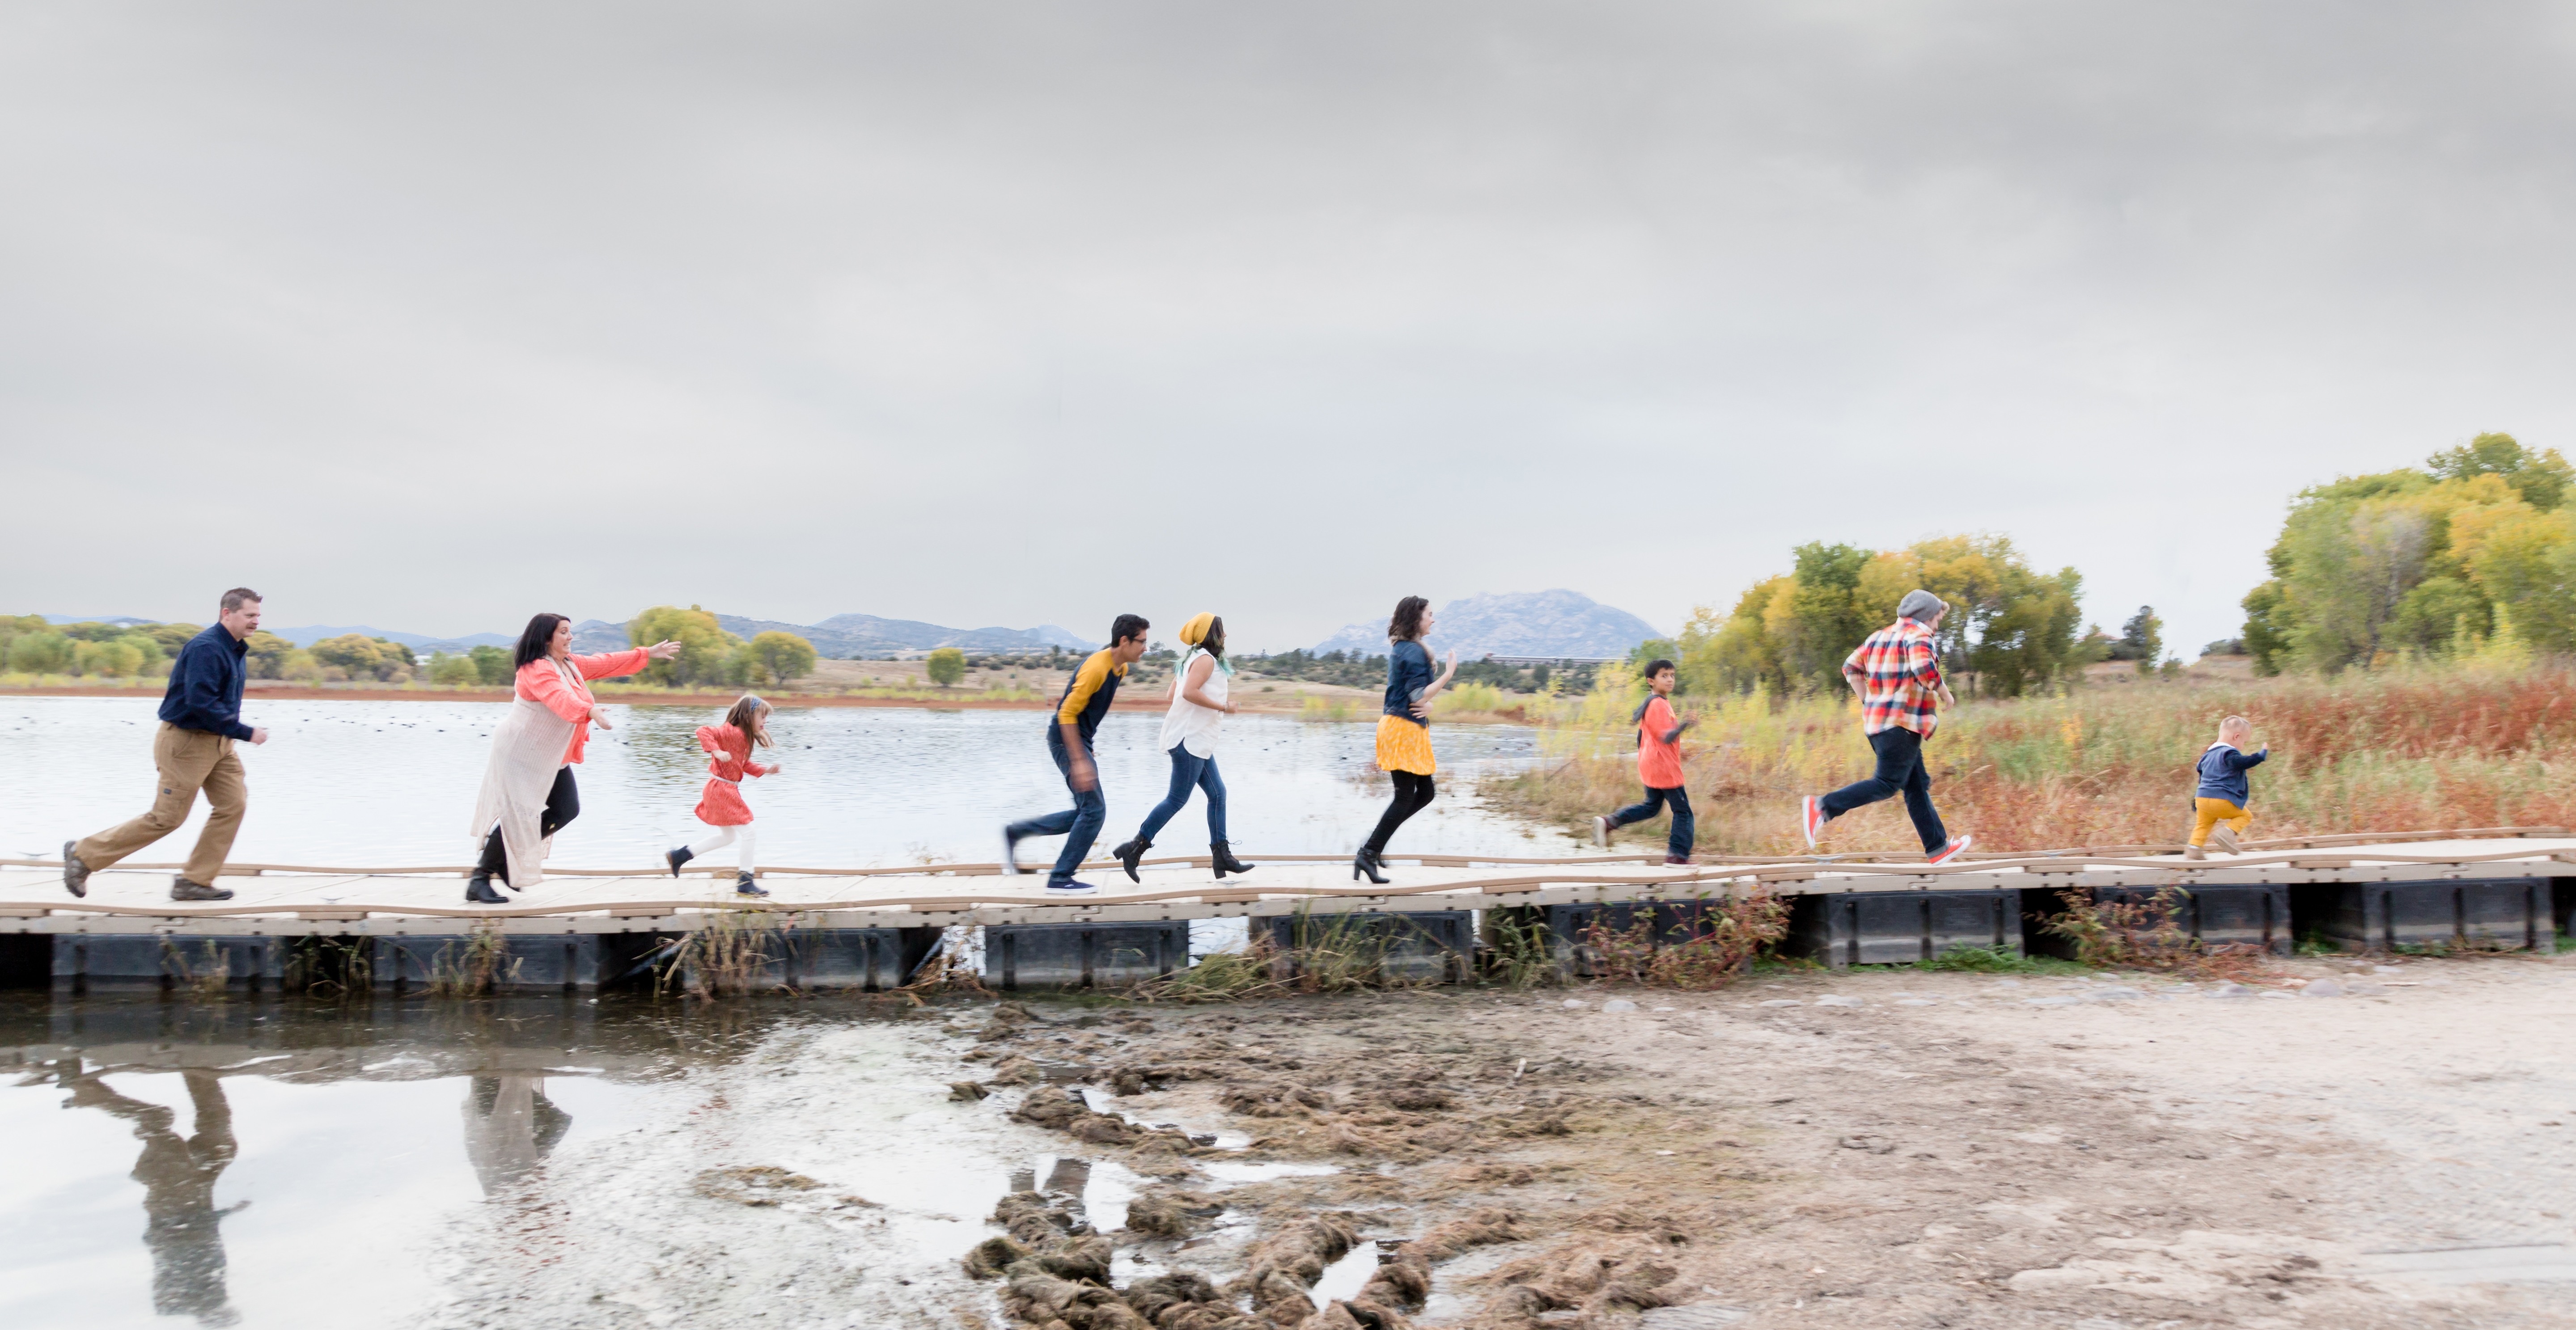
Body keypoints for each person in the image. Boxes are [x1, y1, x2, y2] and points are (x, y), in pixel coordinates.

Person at [62, 588, 273, 903]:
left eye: (258, 615)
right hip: (186, 743)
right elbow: (200, 703)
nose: (256, 621)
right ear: (226, 613)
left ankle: (194, 880)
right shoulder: (207, 648)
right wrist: (245, 731)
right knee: (167, 818)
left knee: (233, 804)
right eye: (250, 615)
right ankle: (84, 855)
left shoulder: (234, 649)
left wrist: (233, 734)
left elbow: (216, 705)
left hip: (220, 744)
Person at [464, 614, 680, 904]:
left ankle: (504, 861)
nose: (570, 637)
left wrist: (645, 653)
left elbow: (605, 661)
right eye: (563, 632)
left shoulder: (569, 665)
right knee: (520, 815)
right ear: (546, 639)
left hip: (551, 754)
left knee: (566, 809)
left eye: (570, 631)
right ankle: (479, 879)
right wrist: (590, 712)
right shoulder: (536, 669)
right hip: (521, 752)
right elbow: (560, 699)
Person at [1800, 589, 1974, 864]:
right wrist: (1946, 694)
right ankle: (1823, 807)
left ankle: (1938, 848)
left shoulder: (1878, 636)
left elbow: (1850, 668)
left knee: (1916, 785)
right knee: (1887, 783)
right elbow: (1925, 670)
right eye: (1939, 618)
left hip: (1880, 725)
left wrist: (1869, 702)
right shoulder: (1920, 636)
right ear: (1927, 616)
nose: (1938, 625)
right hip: (1902, 723)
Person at [1003, 614, 1151, 895]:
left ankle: (1019, 832)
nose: (1146, 648)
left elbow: (1086, 712)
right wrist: (1079, 759)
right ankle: (1060, 878)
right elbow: (1066, 713)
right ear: (1124, 641)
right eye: (1142, 642)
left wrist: (1086, 744)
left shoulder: (1120, 669)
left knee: (1087, 811)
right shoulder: (1097, 668)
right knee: (1094, 811)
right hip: (1064, 739)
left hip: (1077, 740)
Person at [1109, 613, 1255, 882]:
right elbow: (1188, 693)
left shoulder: (1192, 659)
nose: (1225, 636)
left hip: (1196, 741)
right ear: (1212, 635)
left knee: (1218, 793)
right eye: (1221, 631)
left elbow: (1171, 694)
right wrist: (1224, 706)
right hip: (1190, 740)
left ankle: (1222, 856)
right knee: (1177, 799)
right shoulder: (1205, 660)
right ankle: (1135, 848)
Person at [1353, 595, 1458, 883]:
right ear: (1416, 618)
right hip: (1402, 730)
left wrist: (1430, 706)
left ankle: (1375, 846)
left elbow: (1418, 698)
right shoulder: (1412, 651)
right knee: (1404, 796)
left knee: (1425, 794)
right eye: (1430, 614)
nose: (1433, 619)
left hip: (1406, 726)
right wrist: (1448, 675)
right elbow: (1417, 696)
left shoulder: (1408, 648)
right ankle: (1369, 852)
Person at [662, 694, 782, 896]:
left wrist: (766, 770)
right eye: (762, 717)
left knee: (728, 837)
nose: (765, 722)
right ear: (748, 716)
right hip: (722, 789)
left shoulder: (743, 738)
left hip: (723, 788)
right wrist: (716, 752)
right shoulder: (731, 732)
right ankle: (745, 883)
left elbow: (742, 765)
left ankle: (680, 855)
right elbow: (704, 731)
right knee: (750, 833)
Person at [1592, 657, 1695, 863]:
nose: (1670, 680)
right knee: (1683, 812)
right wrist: (1685, 725)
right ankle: (1678, 856)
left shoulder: (1654, 702)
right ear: (1651, 680)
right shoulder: (1658, 705)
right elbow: (1666, 736)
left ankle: (1610, 822)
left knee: (1652, 807)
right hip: (1663, 766)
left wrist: (1647, 758)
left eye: (1672, 675)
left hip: (1651, 764)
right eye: (1664, 676)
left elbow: (1640, 737)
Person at [2186, 714, 2268, 860]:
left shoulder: (2206, 756)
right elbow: (2242, 762)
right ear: (2236, 737)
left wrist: (2195, 801)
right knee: (2245, 815)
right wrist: (2260, 756)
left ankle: (2194, 849)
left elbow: (2202, 778)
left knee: (2203, 824)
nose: (2243, 745)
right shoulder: (2229, 754)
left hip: (2202, 798)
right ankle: (2227, 834)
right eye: (2244, 741)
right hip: (2222, 799)